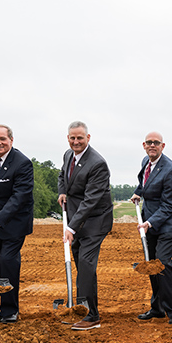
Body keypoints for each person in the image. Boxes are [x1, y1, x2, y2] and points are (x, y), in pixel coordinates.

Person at [57, 121, 114, 331]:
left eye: (80, 138)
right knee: (82, 266)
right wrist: (62, 191)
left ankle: (90, 316)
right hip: (77, 217)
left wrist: (71, 228)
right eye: (72, 138)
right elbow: (62, 175)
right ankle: (86, 309)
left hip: (95, 220)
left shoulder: (97, 163)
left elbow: (90, 200)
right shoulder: (68, 155)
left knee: (86, 264)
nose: (76, 141)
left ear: (88, 138)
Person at [130, 132, 172, 325]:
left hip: (169, 223)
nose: (152, 145)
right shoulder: (146, 163)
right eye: (149, 143)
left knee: (162, 264)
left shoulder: (171, 170)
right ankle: (157, 308)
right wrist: (138, 193)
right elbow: (143, 183)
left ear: (163, 146)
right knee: (151, 264)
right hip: (151, 222)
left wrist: (149, 222)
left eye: (156, 143)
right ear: (144, 145)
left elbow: (169, 205)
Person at [0, 124, 34, 324]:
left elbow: (19, 198)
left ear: (11, 140)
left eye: (2, 139)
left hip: (14, 222)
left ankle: (11, 311)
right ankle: (5, 310)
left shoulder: (22, 163)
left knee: (7, 262)